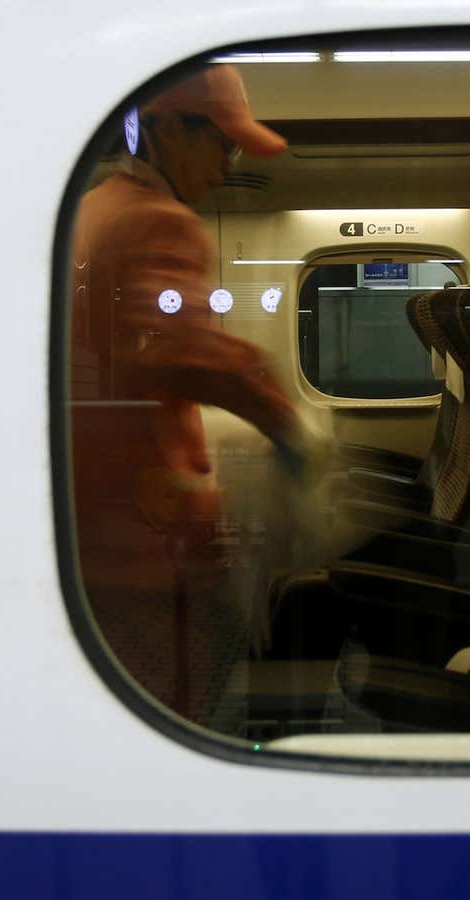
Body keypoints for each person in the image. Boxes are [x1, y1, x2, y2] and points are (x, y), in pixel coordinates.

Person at [68, 65, 308, 718]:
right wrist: (291, 426)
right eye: (223, 145)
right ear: (169, 128)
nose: (229, 167)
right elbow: (184, 352)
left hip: (88, 527)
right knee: (176, 709)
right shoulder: (157, 222)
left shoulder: (86, 213)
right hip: (150, 540)